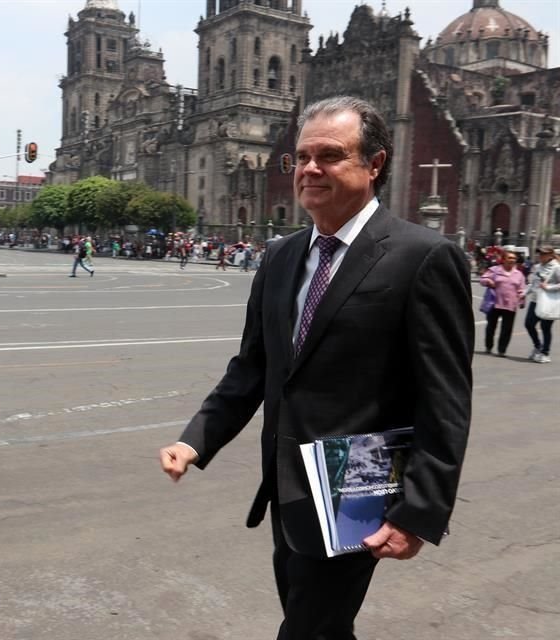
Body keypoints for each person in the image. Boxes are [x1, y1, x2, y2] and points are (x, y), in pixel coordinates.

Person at [159, 96, 473, 640]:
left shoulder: (422, 256)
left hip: (358, 488)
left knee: (309, 627)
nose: (309, 168)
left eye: (330, 155)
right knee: (318, 621)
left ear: (374, 164)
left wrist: (417, 510)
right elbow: (253, 367)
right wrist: (197, 440)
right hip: (287, 487)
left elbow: (445, 400)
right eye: (302, 157)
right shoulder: (281, 256)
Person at [480, 250, 526, 356]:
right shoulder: (495, 270)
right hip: (494, 303)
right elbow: (483, 279)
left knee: (507, 329)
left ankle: (502, 350)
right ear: (504, 259)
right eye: (510, 258)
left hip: (511, 305)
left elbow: (521, 289)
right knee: (491, 327)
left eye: (514, 258)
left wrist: (522, 301)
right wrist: (489, 281)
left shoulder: (519, 274)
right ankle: (488, 346)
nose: (512, 260)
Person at [524, 246, 559, 363]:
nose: (540, 256)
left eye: (543, 254)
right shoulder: (537, 266)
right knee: (529, 324)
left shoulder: (556, 267)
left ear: (551, 255)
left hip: (548, 301)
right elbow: (533, 283)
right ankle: (538, 346)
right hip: (535, 300)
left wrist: (549, 287)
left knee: (545, 327)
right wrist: (524, 293)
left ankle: (545, 353)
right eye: (539, 253)